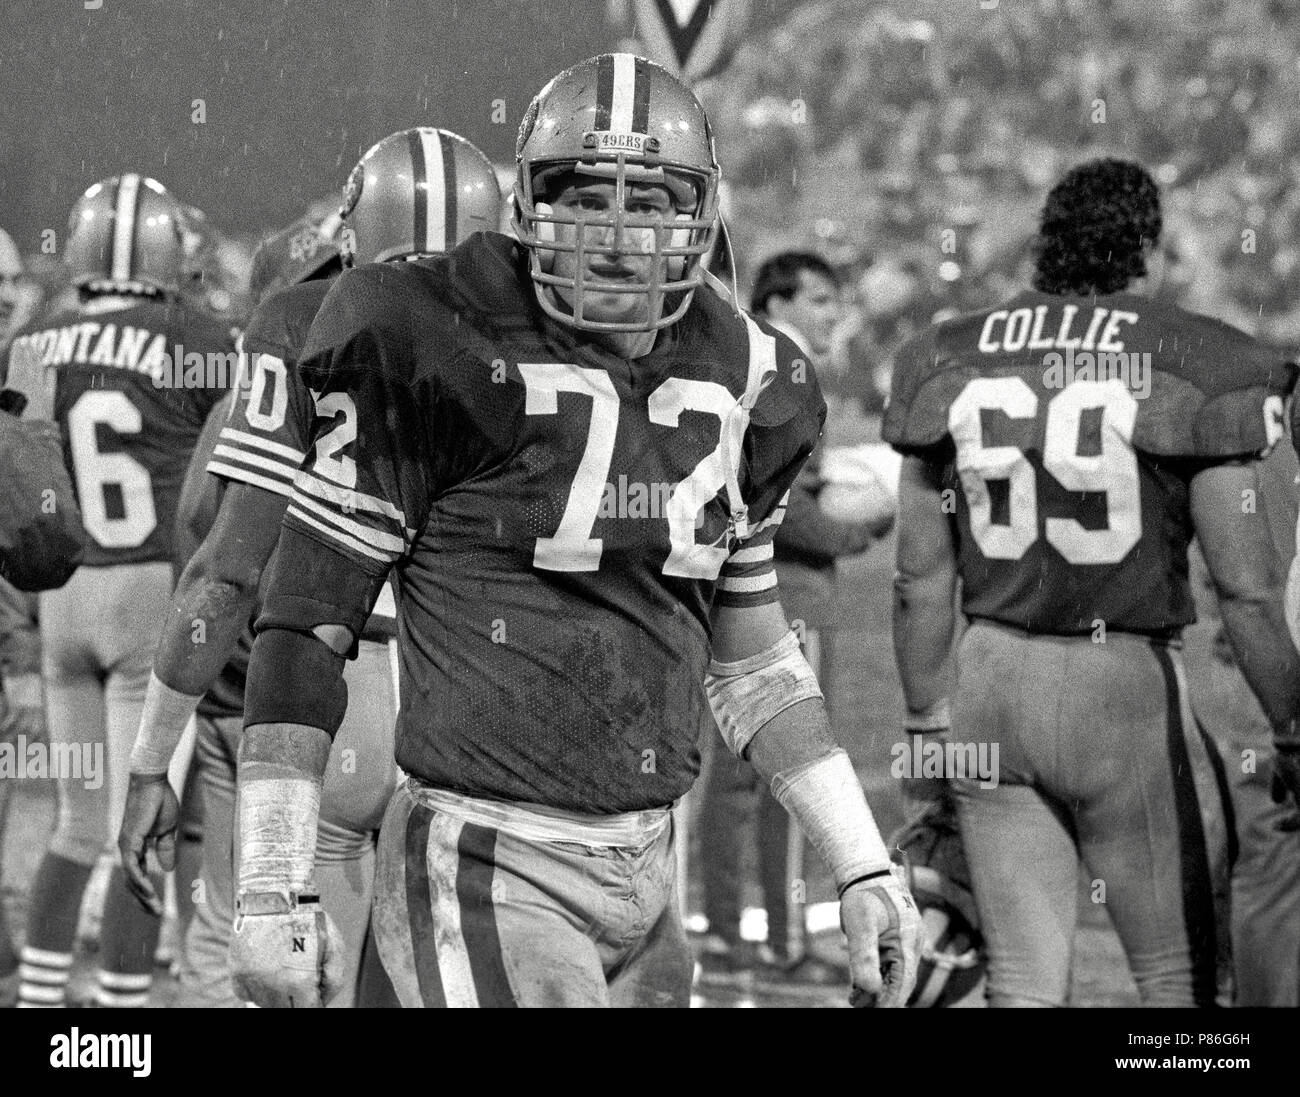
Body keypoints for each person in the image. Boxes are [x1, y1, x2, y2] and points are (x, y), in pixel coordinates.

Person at [227, 53, 921, 1009]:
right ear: (527, 205)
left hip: (646, 874)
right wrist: (270, 880)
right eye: (584, 196)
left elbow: (757, 667)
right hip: (483, 864)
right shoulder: (432, 335)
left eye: (651, 202)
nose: (616, 236)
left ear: (700, 217)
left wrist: (860, 862)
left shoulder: (750, 378)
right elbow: (304, 628)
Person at [887, 157, 1300, 1007]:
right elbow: (1249, 591)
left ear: (1048, 245)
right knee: (1178, 982)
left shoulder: (946, 355)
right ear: (1145, 248)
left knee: (1025, 985)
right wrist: (1293, 725)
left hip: (990, 677)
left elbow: (915, 578)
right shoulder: (1201, 359)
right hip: (1123, 691)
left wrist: (928, 727)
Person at [118, 129, 504, 1007]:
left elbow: (221, 563)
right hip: (490, 700)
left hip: (338, 681)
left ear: (354, 226)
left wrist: (152, 759)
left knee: (307, 977)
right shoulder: (542, 328)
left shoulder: (302, 318)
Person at [6, 175, 235, 1008]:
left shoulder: (35, 335)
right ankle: (122, 1019)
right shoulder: (197, 335)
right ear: (168, 252)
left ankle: (36, 1003)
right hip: (148, 592)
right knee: (144, 829)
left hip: (61, 590)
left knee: (74, 823)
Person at [698, 251, 892, 982]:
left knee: (726, 779)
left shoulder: (728, 353)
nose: (831, 312)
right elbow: (781, 504)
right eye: (817, 298)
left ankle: (720, 932)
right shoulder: (781, 363)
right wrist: (856, 530)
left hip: (724, 590)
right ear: (777, 299)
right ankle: (782, 941)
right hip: (786, 595)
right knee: (790, 769)